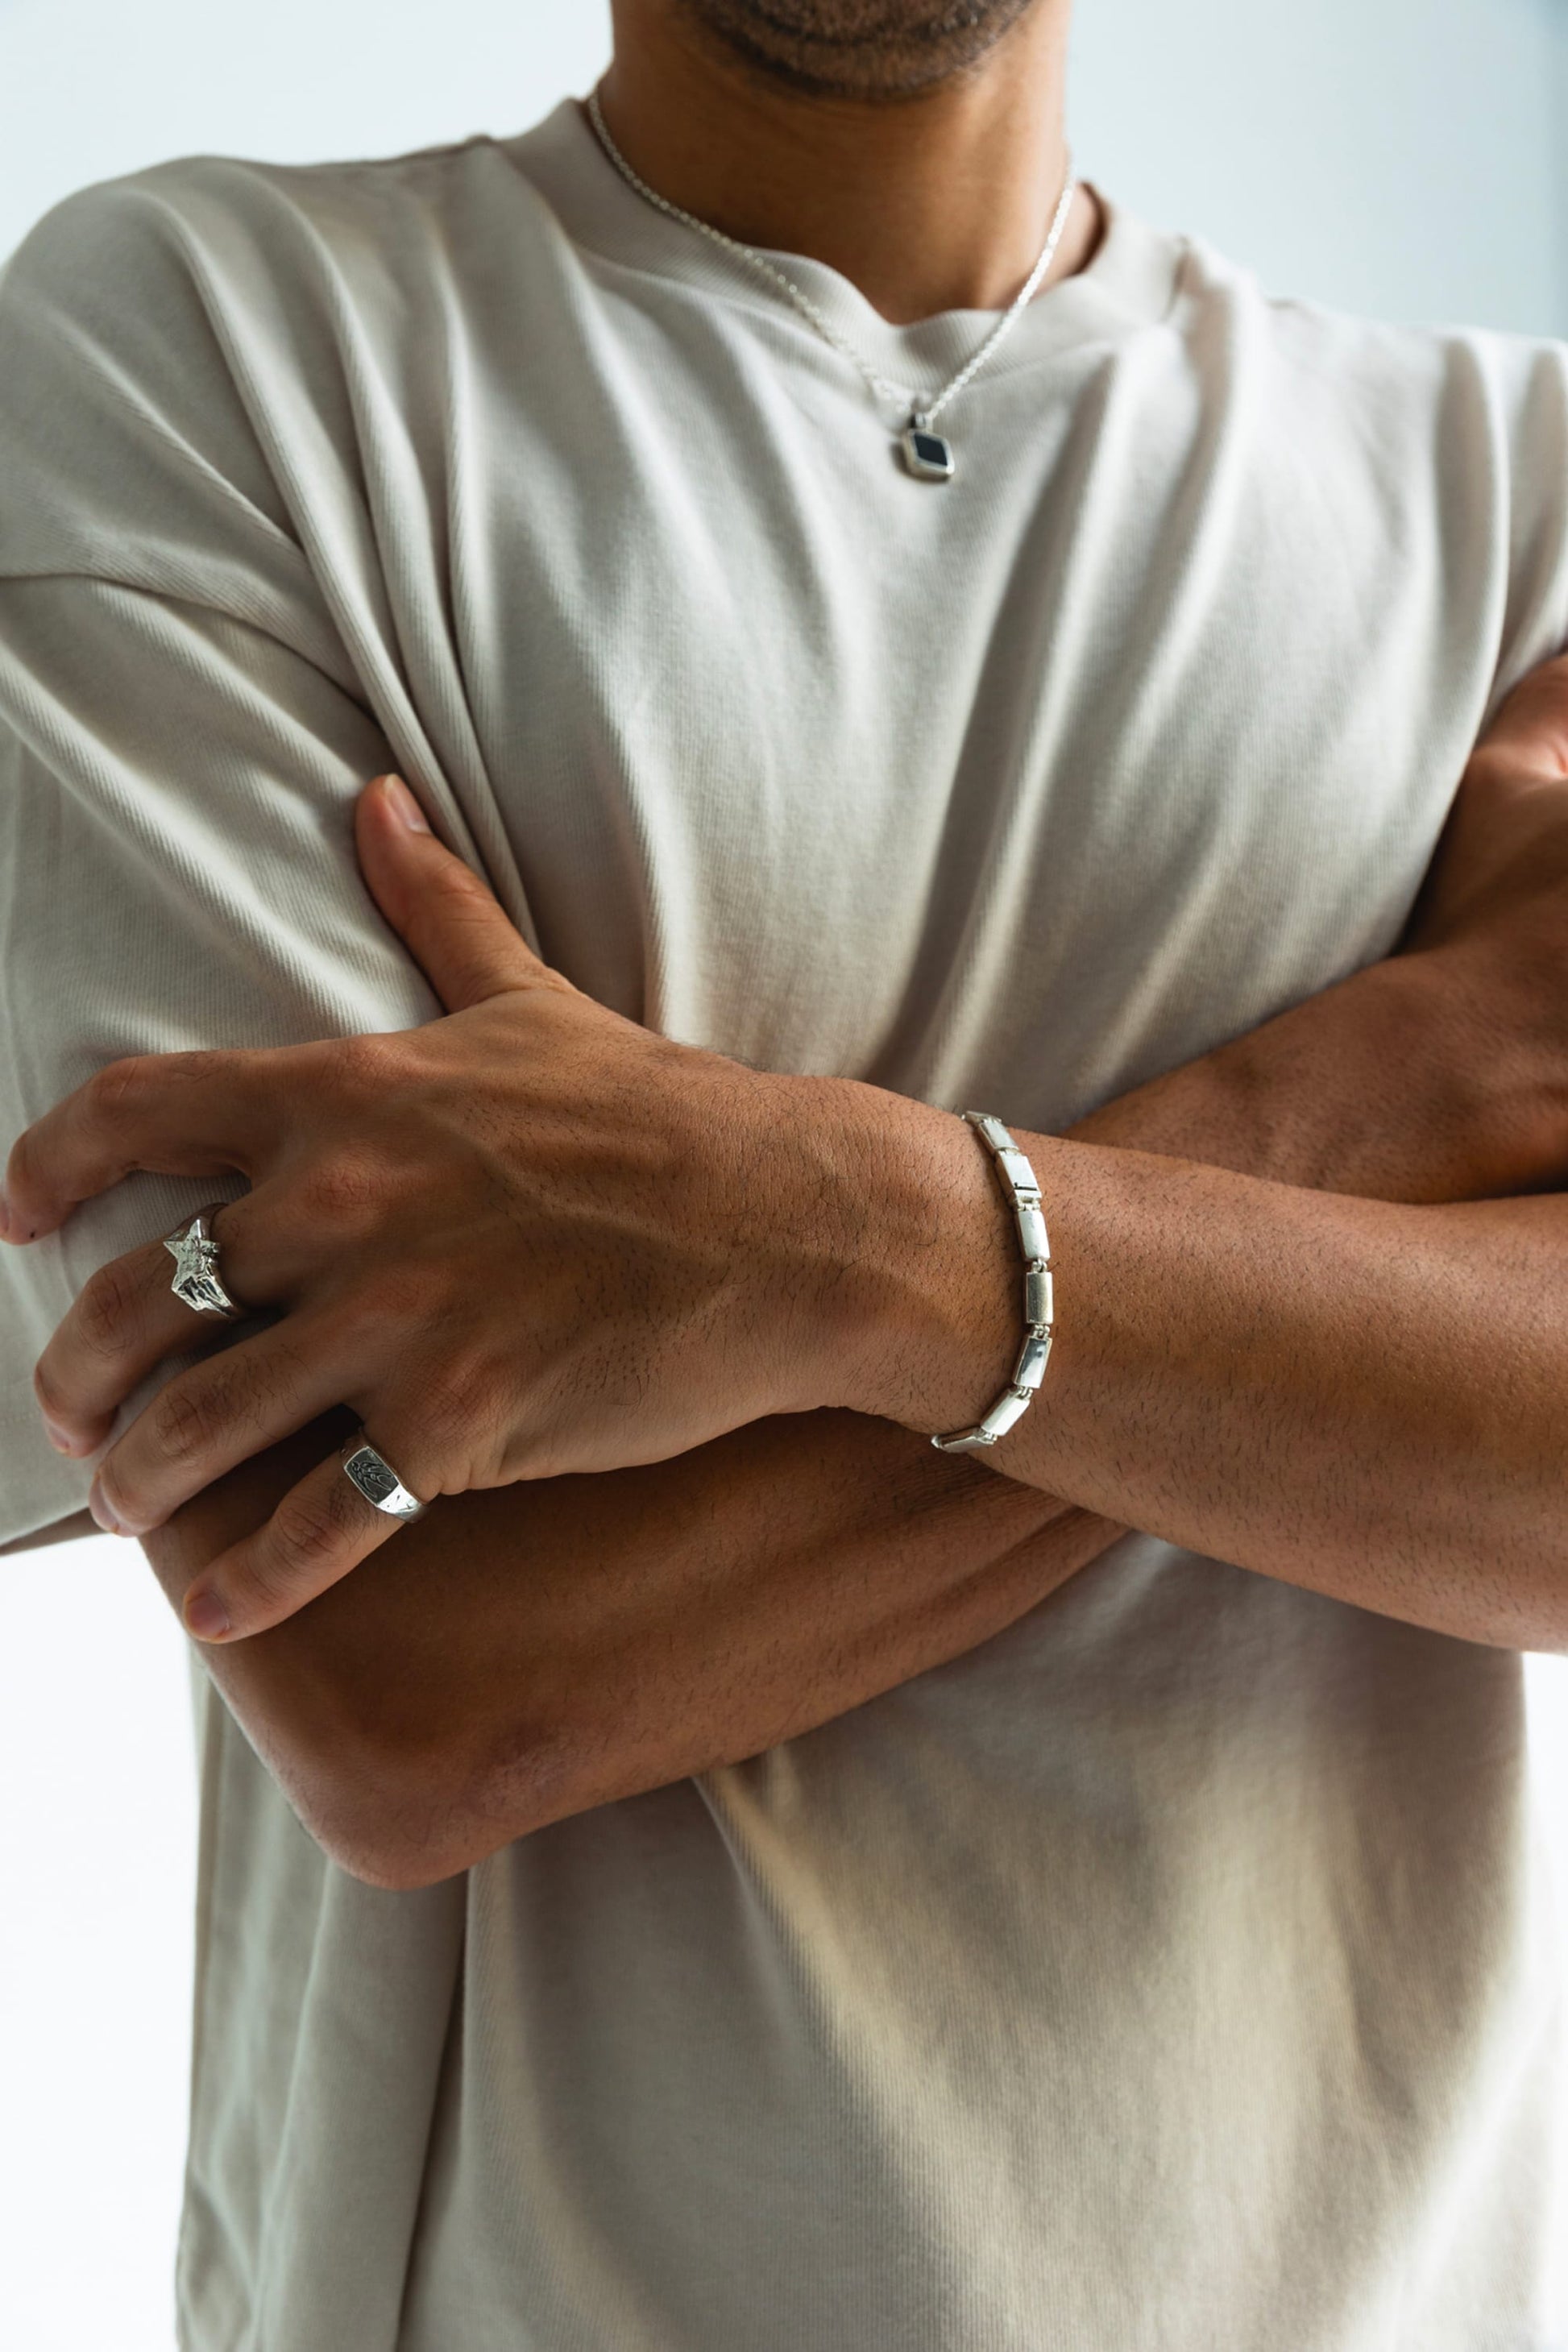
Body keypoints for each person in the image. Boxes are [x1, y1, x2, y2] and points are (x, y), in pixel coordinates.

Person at [2, 0, 1566, 2342]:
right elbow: (418, 1679)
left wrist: (794, 1237)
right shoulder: (203, 353)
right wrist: (1402, 1090)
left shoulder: (1515, 499)